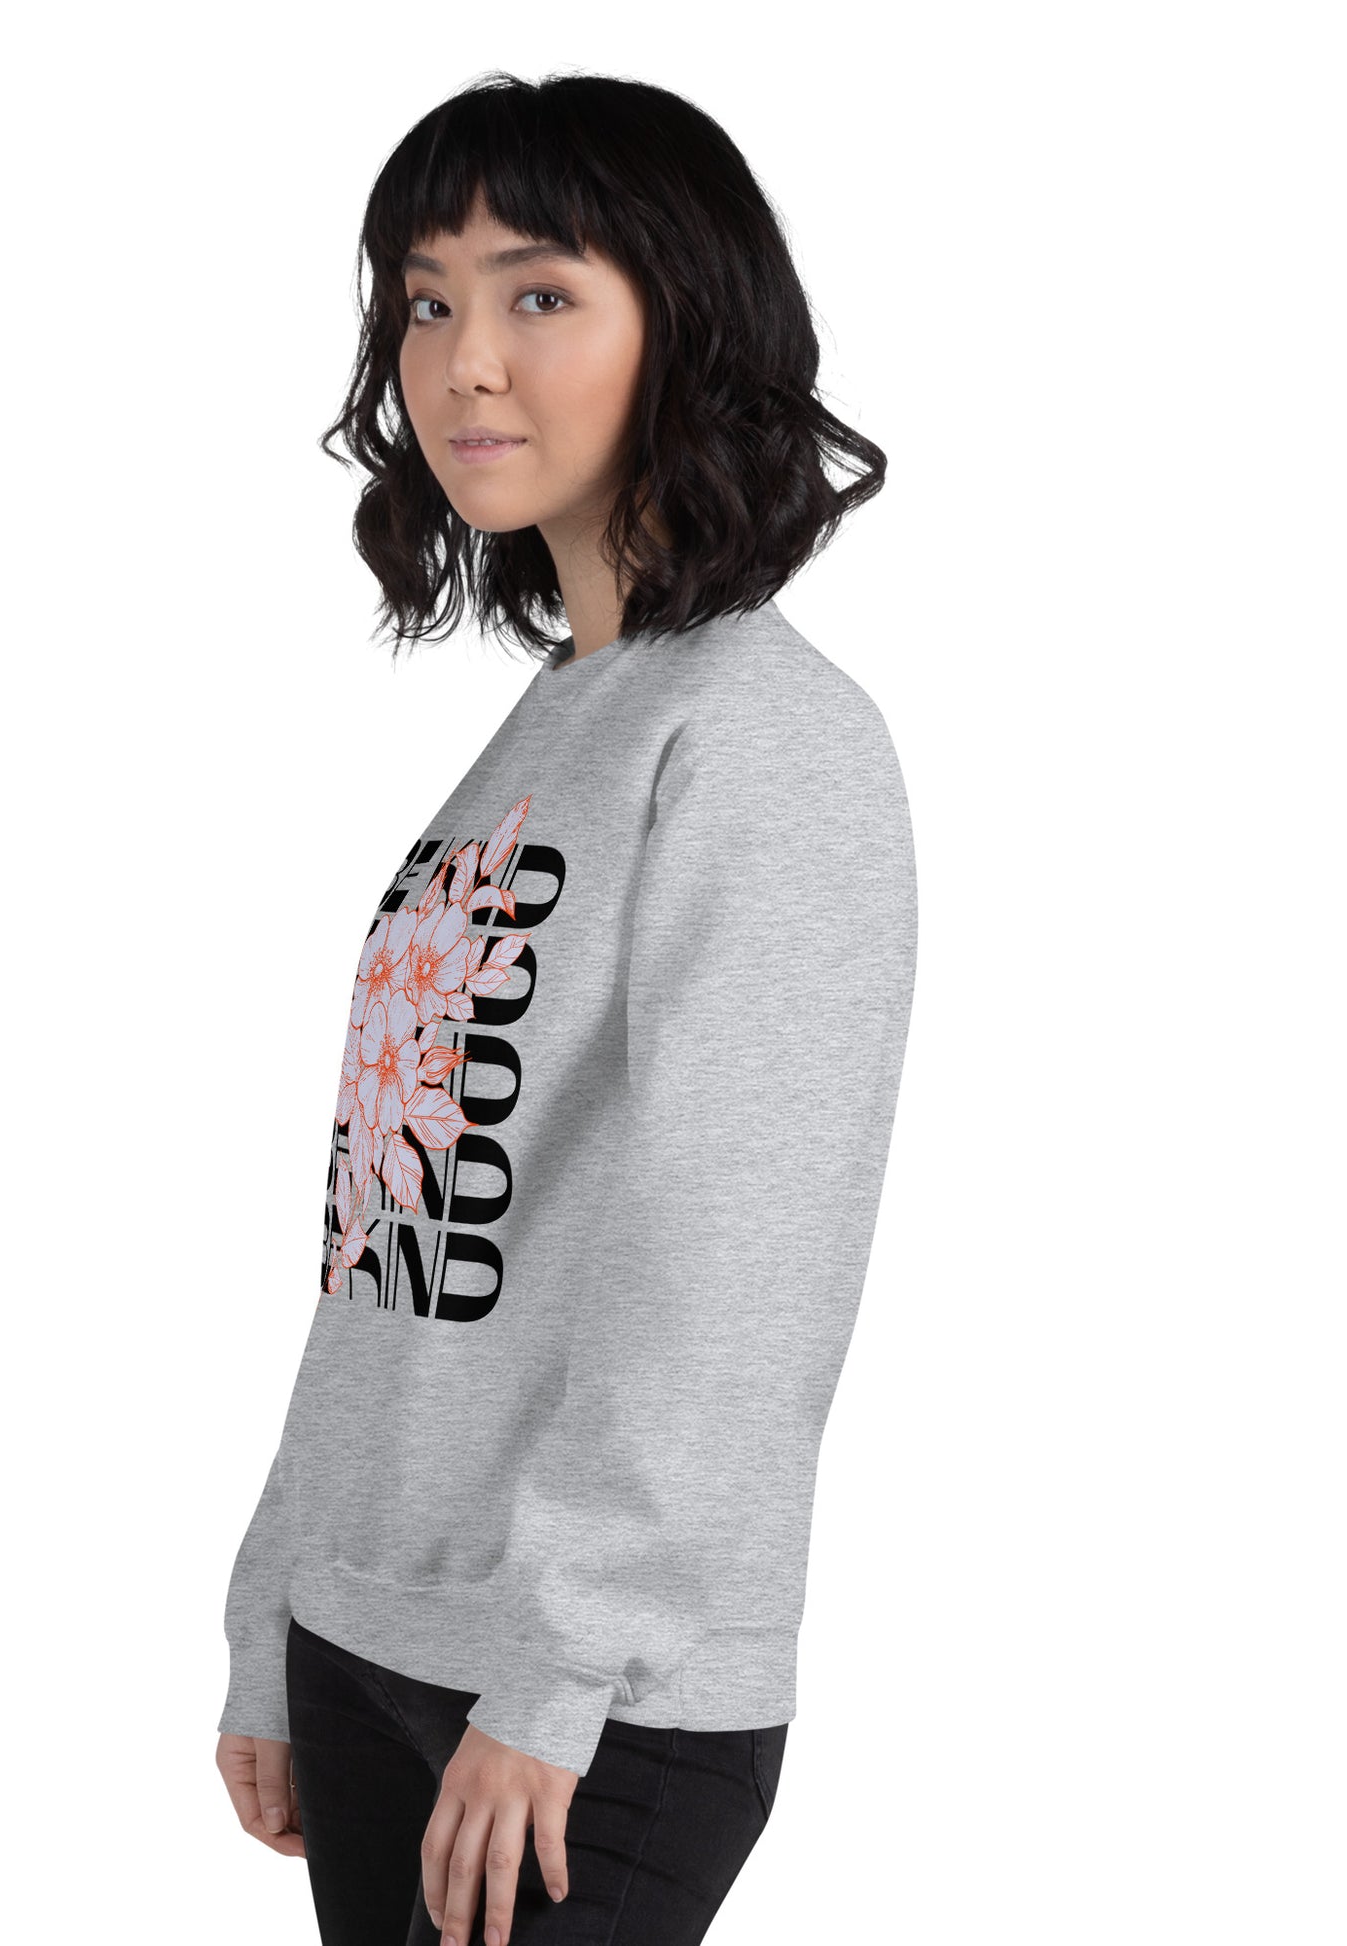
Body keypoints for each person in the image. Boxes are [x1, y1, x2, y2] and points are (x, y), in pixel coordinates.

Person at [214, 70, 918, 1946]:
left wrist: (560, 1665)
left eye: (538, 292)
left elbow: (739, 1261)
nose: (462, 360)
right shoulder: (549, 727)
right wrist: (278, 1593)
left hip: (587, 1692)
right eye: (424, 300)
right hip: (376, 1631)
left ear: (686, 321)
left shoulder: (764, 738)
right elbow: (389, 1220)